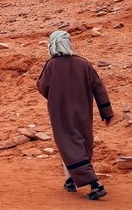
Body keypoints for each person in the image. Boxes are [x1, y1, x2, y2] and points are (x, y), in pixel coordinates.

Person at [36, 30, 113, 200]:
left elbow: (43, 87)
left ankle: (95, 184)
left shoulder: (52, 65)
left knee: (69, 145)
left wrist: (58, 96)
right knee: (80, 144)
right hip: (84, 111)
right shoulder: (83, 63)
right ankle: (70, 180)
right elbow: (98, 88)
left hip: (61, 113)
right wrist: (106, 111)